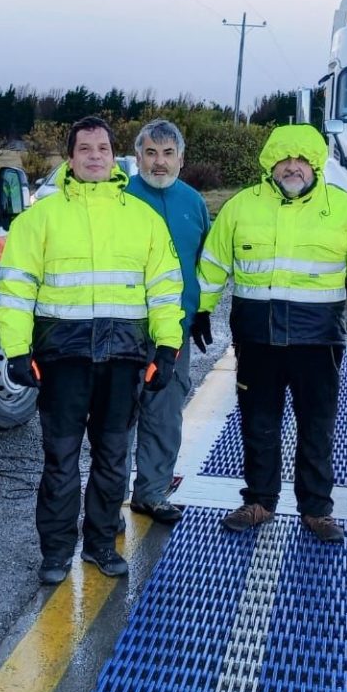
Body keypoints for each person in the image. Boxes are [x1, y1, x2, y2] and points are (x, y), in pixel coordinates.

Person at [0, 116, 185, 585]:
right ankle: (56, 551)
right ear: (71, 157)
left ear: (115, 156)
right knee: (60, 460)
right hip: (64, 358)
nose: (95, 156)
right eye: (85, 149)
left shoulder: (143, 218)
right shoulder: (39, 218)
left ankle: (100, 544)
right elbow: (16, 289)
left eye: (102, 148)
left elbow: (165, 289)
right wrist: (16, 350)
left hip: (123, 357)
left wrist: (167, 347)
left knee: (112, 458)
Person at [197, 124, 347, 543]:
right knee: (258, 425)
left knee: (317, 428)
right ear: (270, 164)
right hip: (257, 341)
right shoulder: (240, 208)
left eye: (301, 159)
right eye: (284, 159)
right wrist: (201, 310)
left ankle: (317, 510)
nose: (292, 167)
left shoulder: (344, 210)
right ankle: (259, 501)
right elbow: (212, 265)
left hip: (317, 343)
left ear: (315, 164)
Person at [125, 119, 212, 526]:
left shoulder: (193, 203)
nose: (159, 162)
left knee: (164, 414)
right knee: (117, 418)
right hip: (125, 328)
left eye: (168, 153)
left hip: (174, 330)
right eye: (151, 153)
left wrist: (201, 310)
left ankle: (151, 493)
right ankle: (107, 501)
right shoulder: (122, 199)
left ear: (181, 158)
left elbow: (204, 264)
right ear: (137, 157)